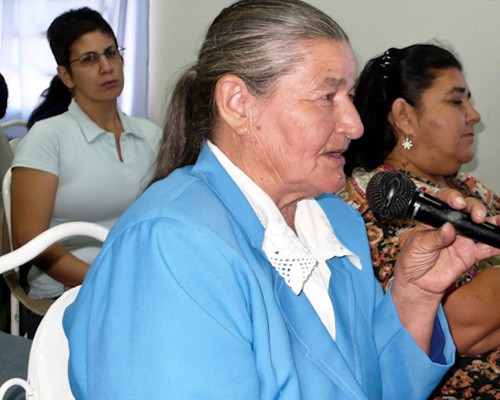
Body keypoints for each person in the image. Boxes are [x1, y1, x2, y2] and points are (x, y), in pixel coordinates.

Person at [64, 2, 500, 398]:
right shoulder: (169, 246)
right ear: (238, 103)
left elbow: (376, 388)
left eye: (348, 96)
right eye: (327, 97)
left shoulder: (335, 220)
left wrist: (416, 294)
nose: (354, 124)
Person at [339, 43, 500, 398]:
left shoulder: (471, 189)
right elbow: (458, 328)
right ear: (404, 116)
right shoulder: (378, 204)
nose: (474, 114)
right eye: (456, 101)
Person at [10, 7, 161, 338]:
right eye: (89, 59)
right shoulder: (48, 137)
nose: (106, 67)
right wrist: (102, 278)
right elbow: (29, 240)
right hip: (67, 297)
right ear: (66, 76)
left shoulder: (151, 135)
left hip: (137, 288)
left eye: (110, 53)